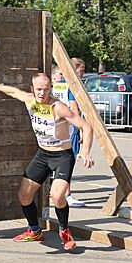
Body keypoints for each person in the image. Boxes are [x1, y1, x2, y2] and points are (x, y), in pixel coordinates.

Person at [0, 71, 94, 251]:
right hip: (43, 154)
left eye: (46, 89)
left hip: (62, 156)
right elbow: (13, 92)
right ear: (32, 89)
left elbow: (86, 126)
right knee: (24, 195)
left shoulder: (58, 107)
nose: (42, 93)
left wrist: (85, 150)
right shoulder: (30, 100)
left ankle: (64, 231)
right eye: (39, 89)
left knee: (57, 196)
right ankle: (34, 230)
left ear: (50, 88)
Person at [50, 65, 85, 207]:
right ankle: (67, 194)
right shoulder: (70, 87)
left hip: (55, 128)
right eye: (81, 70)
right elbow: (74, 109)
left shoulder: (53, 88)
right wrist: (82, 128)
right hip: (70, 129)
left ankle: (57, 191)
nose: (82, 73)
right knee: (68, 161)